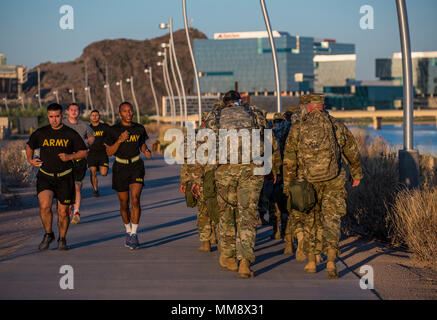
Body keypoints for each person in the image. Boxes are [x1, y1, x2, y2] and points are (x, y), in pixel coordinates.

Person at [283, 93, 363, 278]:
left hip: (307, 181)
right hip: (333, 180)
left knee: (311, 220)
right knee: (332, 219)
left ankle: (312, 261)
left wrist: (288, 185)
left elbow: (289, 159)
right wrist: (356, 174)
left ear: (309, 106)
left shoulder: (299, 127)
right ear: (322, 105)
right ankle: (331, 262)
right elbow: (351, 150)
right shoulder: (335, 125)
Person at [197, 90, 268, 278]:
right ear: (240, 101)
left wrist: (206, 172)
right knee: (248, 215)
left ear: (224, 102)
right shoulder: (255, 113)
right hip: (252, 168)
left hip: (225, 169)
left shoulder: (215, 115)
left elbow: (205, 144)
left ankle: (228, 256)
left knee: (226, 213)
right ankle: (244, 261)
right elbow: (267, 139)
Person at [25, 103, 88, 251]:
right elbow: (29, 145)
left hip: (65, 177)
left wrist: (69, 156)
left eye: (57, 116)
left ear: (62, 116)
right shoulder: (41, 133)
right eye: (51, 117)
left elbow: (83, 152)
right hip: (45, 176)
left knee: (63, 212)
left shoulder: (70, 133)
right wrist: (30, 159)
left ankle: (62, 238)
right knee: (45, 206)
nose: (54, 120)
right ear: (48, 116)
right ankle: (48, 234)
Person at [105, 102, 152, 250]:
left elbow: (142, 144)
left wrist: (146, 150)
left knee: (135, 199)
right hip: (120, 167)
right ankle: (127, 230)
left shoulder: (139, 128)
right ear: (120, 114)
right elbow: (109, 152)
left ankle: (134, 234)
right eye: (125, 111)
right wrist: (120, 140)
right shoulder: (113, 130)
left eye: (130, 110)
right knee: (124, 203)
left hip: (136, 166)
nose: (129, 113)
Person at [283, 98, 310, 259]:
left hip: (298, 176)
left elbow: (289, 157)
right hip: (323, 177)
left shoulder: (293, 127)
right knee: (316, 214)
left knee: (295, 211)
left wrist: (287, 181)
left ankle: (293, 241)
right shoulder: (329, 123)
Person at [64, 103, 95, 224]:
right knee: (66, 187)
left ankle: (76, 212)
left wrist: (88, 143)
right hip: (65, 160)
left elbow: (92, 137)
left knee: (77, 186)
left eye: (76, 110)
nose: (73, 112)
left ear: (79, 112)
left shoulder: (84, 125)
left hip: (79, 160)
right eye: (71, 110)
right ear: (67, 111)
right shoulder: (63, 124)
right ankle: (69, 205)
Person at [88, 109, 110, 197]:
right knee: (93, 172)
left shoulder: (105, 127)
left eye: (96, 115)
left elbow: (111, 136)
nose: (94, 117)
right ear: (90, 117)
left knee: (104, 173)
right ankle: (95, 190)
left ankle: (98, 167)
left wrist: (108, 144)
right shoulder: (88, 128)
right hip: (91, 154)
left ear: (99, 116)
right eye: (93, 115)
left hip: (102, 154)